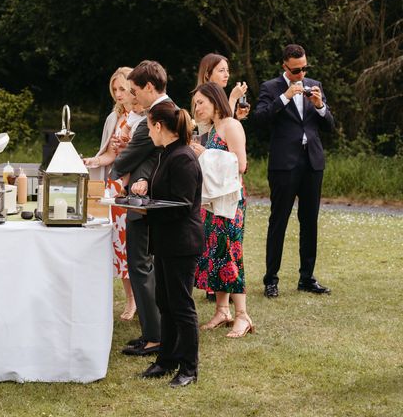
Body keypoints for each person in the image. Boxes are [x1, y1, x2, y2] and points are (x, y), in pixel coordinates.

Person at [130, 101, 203, 387]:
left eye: (149, 128)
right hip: (165, 241)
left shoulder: (183, 157)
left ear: (160, 127)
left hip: (182, 242)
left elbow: (183, 205)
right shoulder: (167, 154)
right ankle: (166, 359)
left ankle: (189, 368)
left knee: (181, 305)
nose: (148, 134)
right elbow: (165, 192)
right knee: (165, 302)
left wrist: (147, 207)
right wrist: (144, 192)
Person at [254, 44, 335, 298]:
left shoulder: (315, 84)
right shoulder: (271, 88)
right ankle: (271, 279)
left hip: (312, 163)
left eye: (304, 68)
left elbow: (330, 126)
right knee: (278, 221)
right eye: (296, 70)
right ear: (285, 67)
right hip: (284, 164)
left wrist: (321, 106)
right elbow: (259, 120)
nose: (302, 74)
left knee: (309, 221)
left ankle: (306, 278)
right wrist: (285, 96)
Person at [110, 60, 173, 356]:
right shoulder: (161, 110)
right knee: (145, 267)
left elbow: (134, 154)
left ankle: (154, 337)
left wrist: (115, 169)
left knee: (140, 265)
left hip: (147, 201)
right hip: (144, 194)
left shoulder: (159, 113)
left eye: (135, 91)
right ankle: (152, 331)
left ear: (149, 87)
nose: (133, 97)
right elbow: (148, 157)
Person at [191, 82, 255, 338]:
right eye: (195, 103)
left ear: (215, 101)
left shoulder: (232, 125)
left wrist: (205, 153)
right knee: (215, 254)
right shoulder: (210, 129)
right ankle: (222, 310)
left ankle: (243, 315)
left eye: (201, 102)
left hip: (230, 203)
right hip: (212, 203)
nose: (197, 108)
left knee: (230, 253)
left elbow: (241, 164)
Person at [83, 67, 140, 321]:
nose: (118, 94)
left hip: (131, 186)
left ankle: (140, 298)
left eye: (122, 89)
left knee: (132, 245)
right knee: (118, 245)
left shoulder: (141, 117)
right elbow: (110, 155)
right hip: (113, 186)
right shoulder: (114, 118)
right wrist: (93, 161)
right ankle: (130, 298)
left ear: (133, 89)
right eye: (114, 89)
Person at [196, 53, 250, 122]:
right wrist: (233, 98)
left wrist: (236, 117)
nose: (227, 75)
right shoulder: (203, 97)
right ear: (207, 74)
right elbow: (221, 127)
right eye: (221, 70)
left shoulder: (216, 95)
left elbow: (223, 126)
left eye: (227, 70)